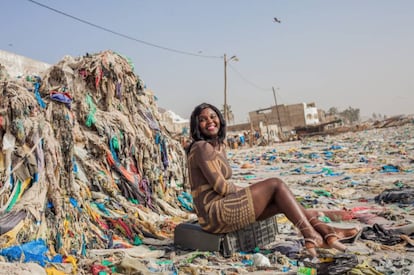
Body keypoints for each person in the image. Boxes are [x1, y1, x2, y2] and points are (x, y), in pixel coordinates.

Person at [186, 103, 360, 257]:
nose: (209, 121)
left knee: (280, 203)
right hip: (213, 214)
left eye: (212, 116)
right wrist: (254, 191)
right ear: (197, 126)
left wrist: (254, 192)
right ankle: (313, 235)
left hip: (219, 213)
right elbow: (221, 187)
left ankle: (326, 231)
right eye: (202, 119)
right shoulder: (201, 147)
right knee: (275, 185)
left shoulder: (217, 147)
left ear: (220, 119)